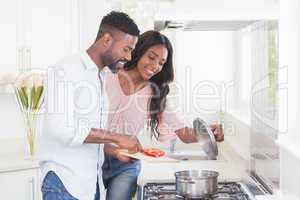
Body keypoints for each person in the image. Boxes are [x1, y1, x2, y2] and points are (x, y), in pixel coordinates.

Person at [101, 30, 224, 200]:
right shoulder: (107, 75)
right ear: (138, 51)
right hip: (92, 156)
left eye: (161, 62)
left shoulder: (156, 95)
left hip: (126, 163)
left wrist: (209, 132)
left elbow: (184, 133)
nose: (155, 66)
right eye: (151, 57)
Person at [39, 11, 143, 200]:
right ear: (107, 40)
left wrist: (114, 150)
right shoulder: (66, 69)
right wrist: (118, 137)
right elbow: (60, 128)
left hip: (90, 185)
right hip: (63, 184)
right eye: (126, 49)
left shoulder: (101, 76)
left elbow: (86, 137)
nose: (129, 57)